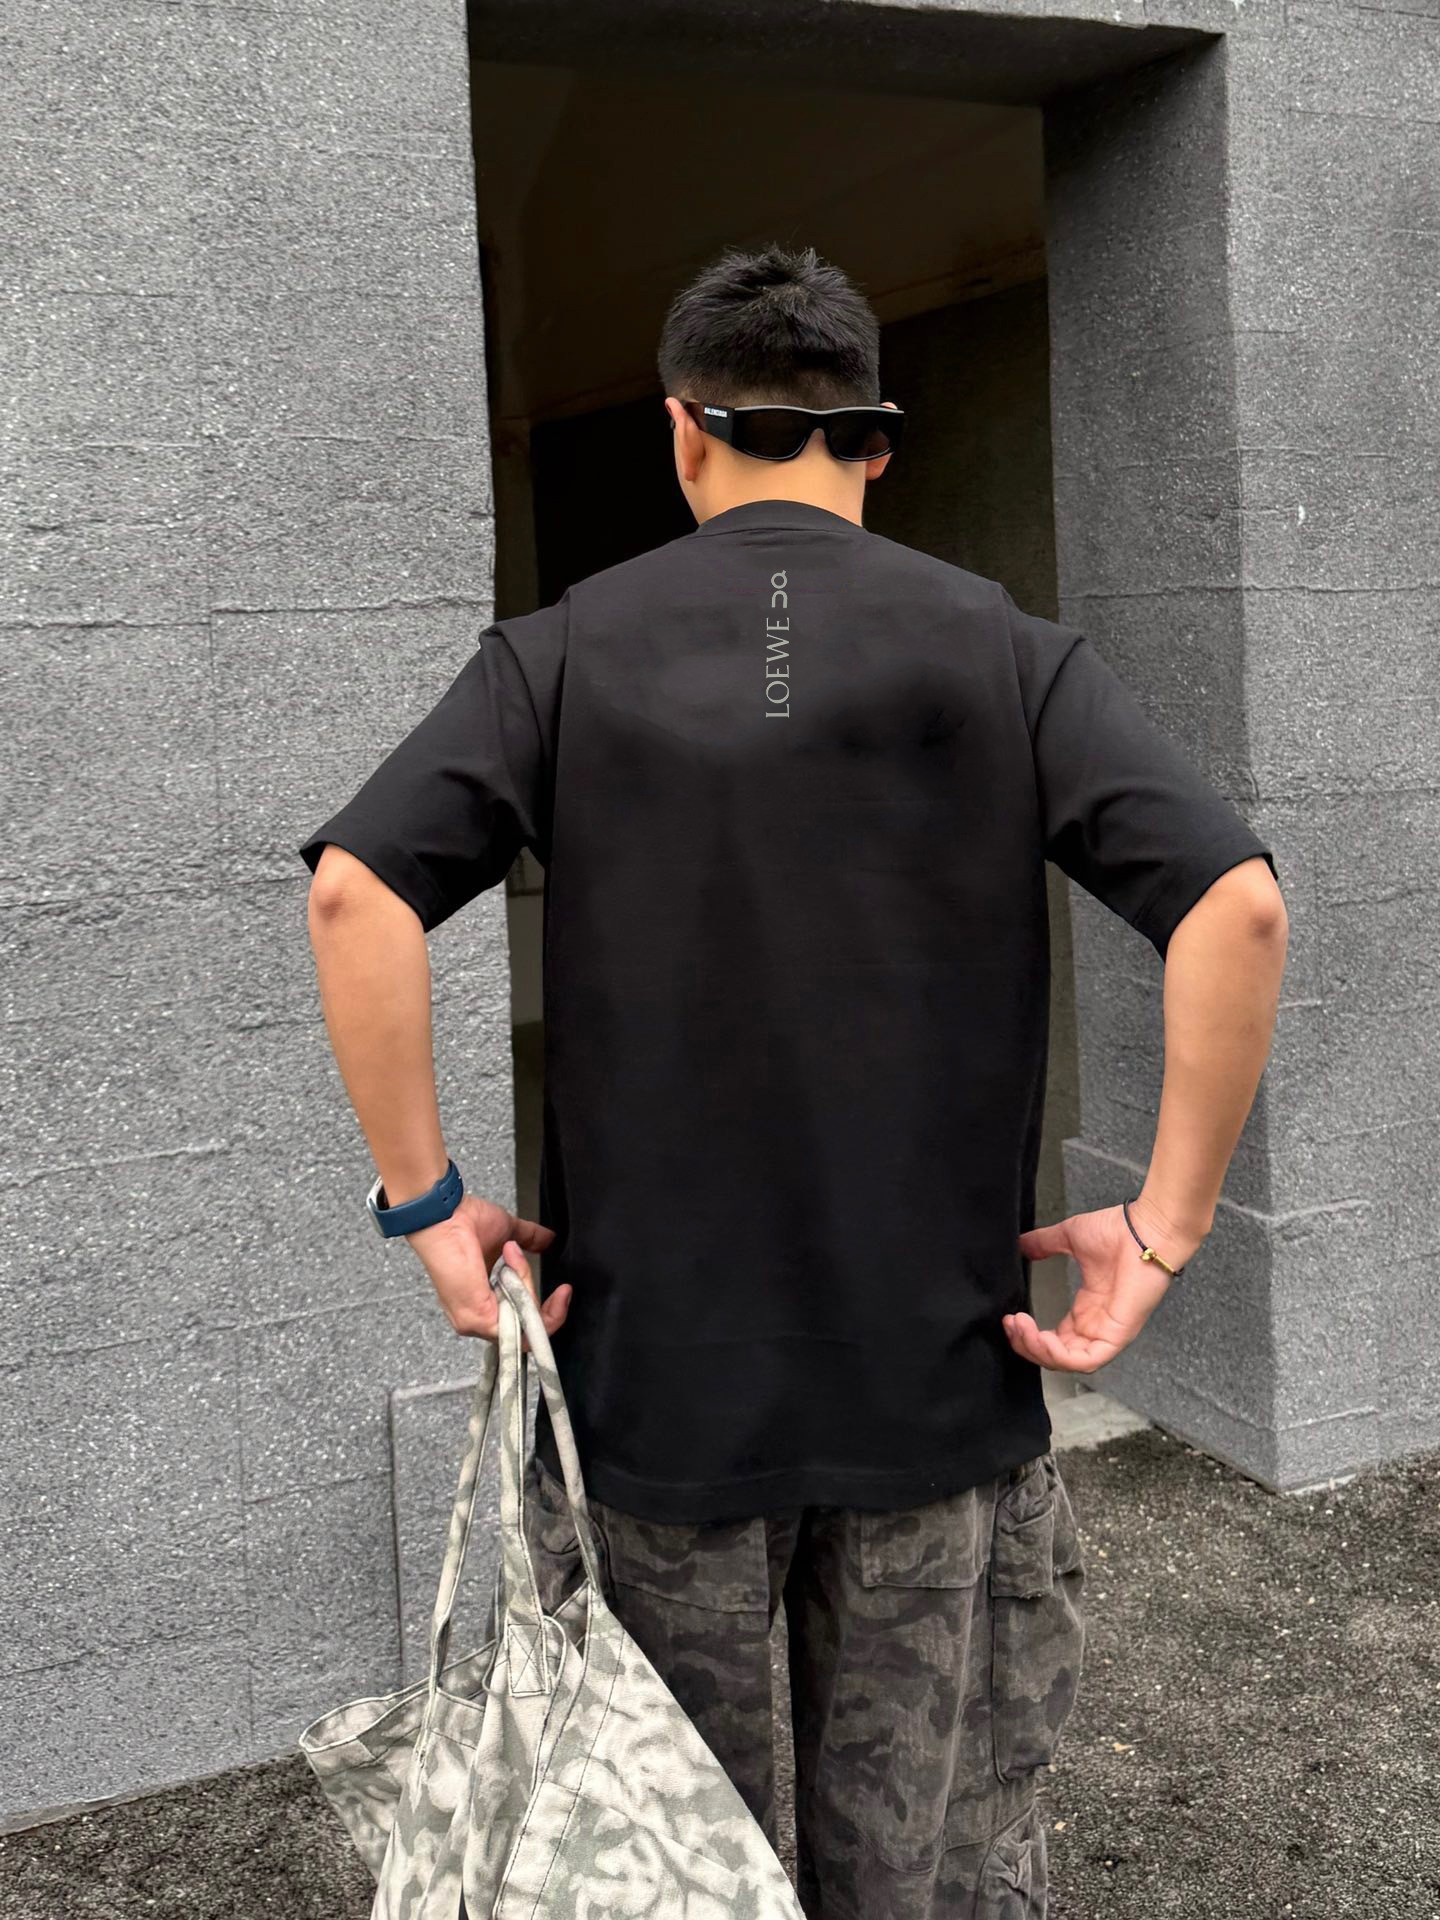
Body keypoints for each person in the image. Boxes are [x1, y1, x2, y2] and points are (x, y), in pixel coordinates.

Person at [298, 243, 1288, 1918]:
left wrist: (431, 1202)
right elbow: (1235, 905)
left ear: (683, 431)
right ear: (875, 444)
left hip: (653, 1394)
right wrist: (1166, 1224)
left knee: (654, 1861)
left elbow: (356, 893)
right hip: (935, 1382)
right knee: (921, 1864)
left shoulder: (564, 649)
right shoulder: (1006, 651)